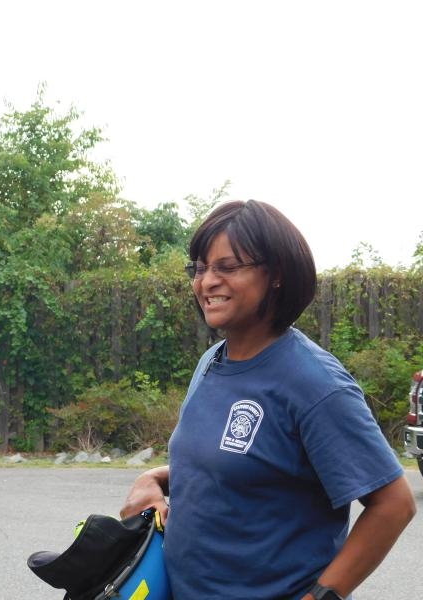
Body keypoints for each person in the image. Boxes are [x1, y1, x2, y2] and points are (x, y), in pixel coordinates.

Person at [119, 200, 416, 600]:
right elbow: (236, 465)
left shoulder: (314, 384)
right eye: (201, 268)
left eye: (228, 267)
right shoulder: (212, 362)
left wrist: (319, 598)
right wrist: (151, 478)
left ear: (276, 274)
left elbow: (393, 505)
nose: (207, 282)